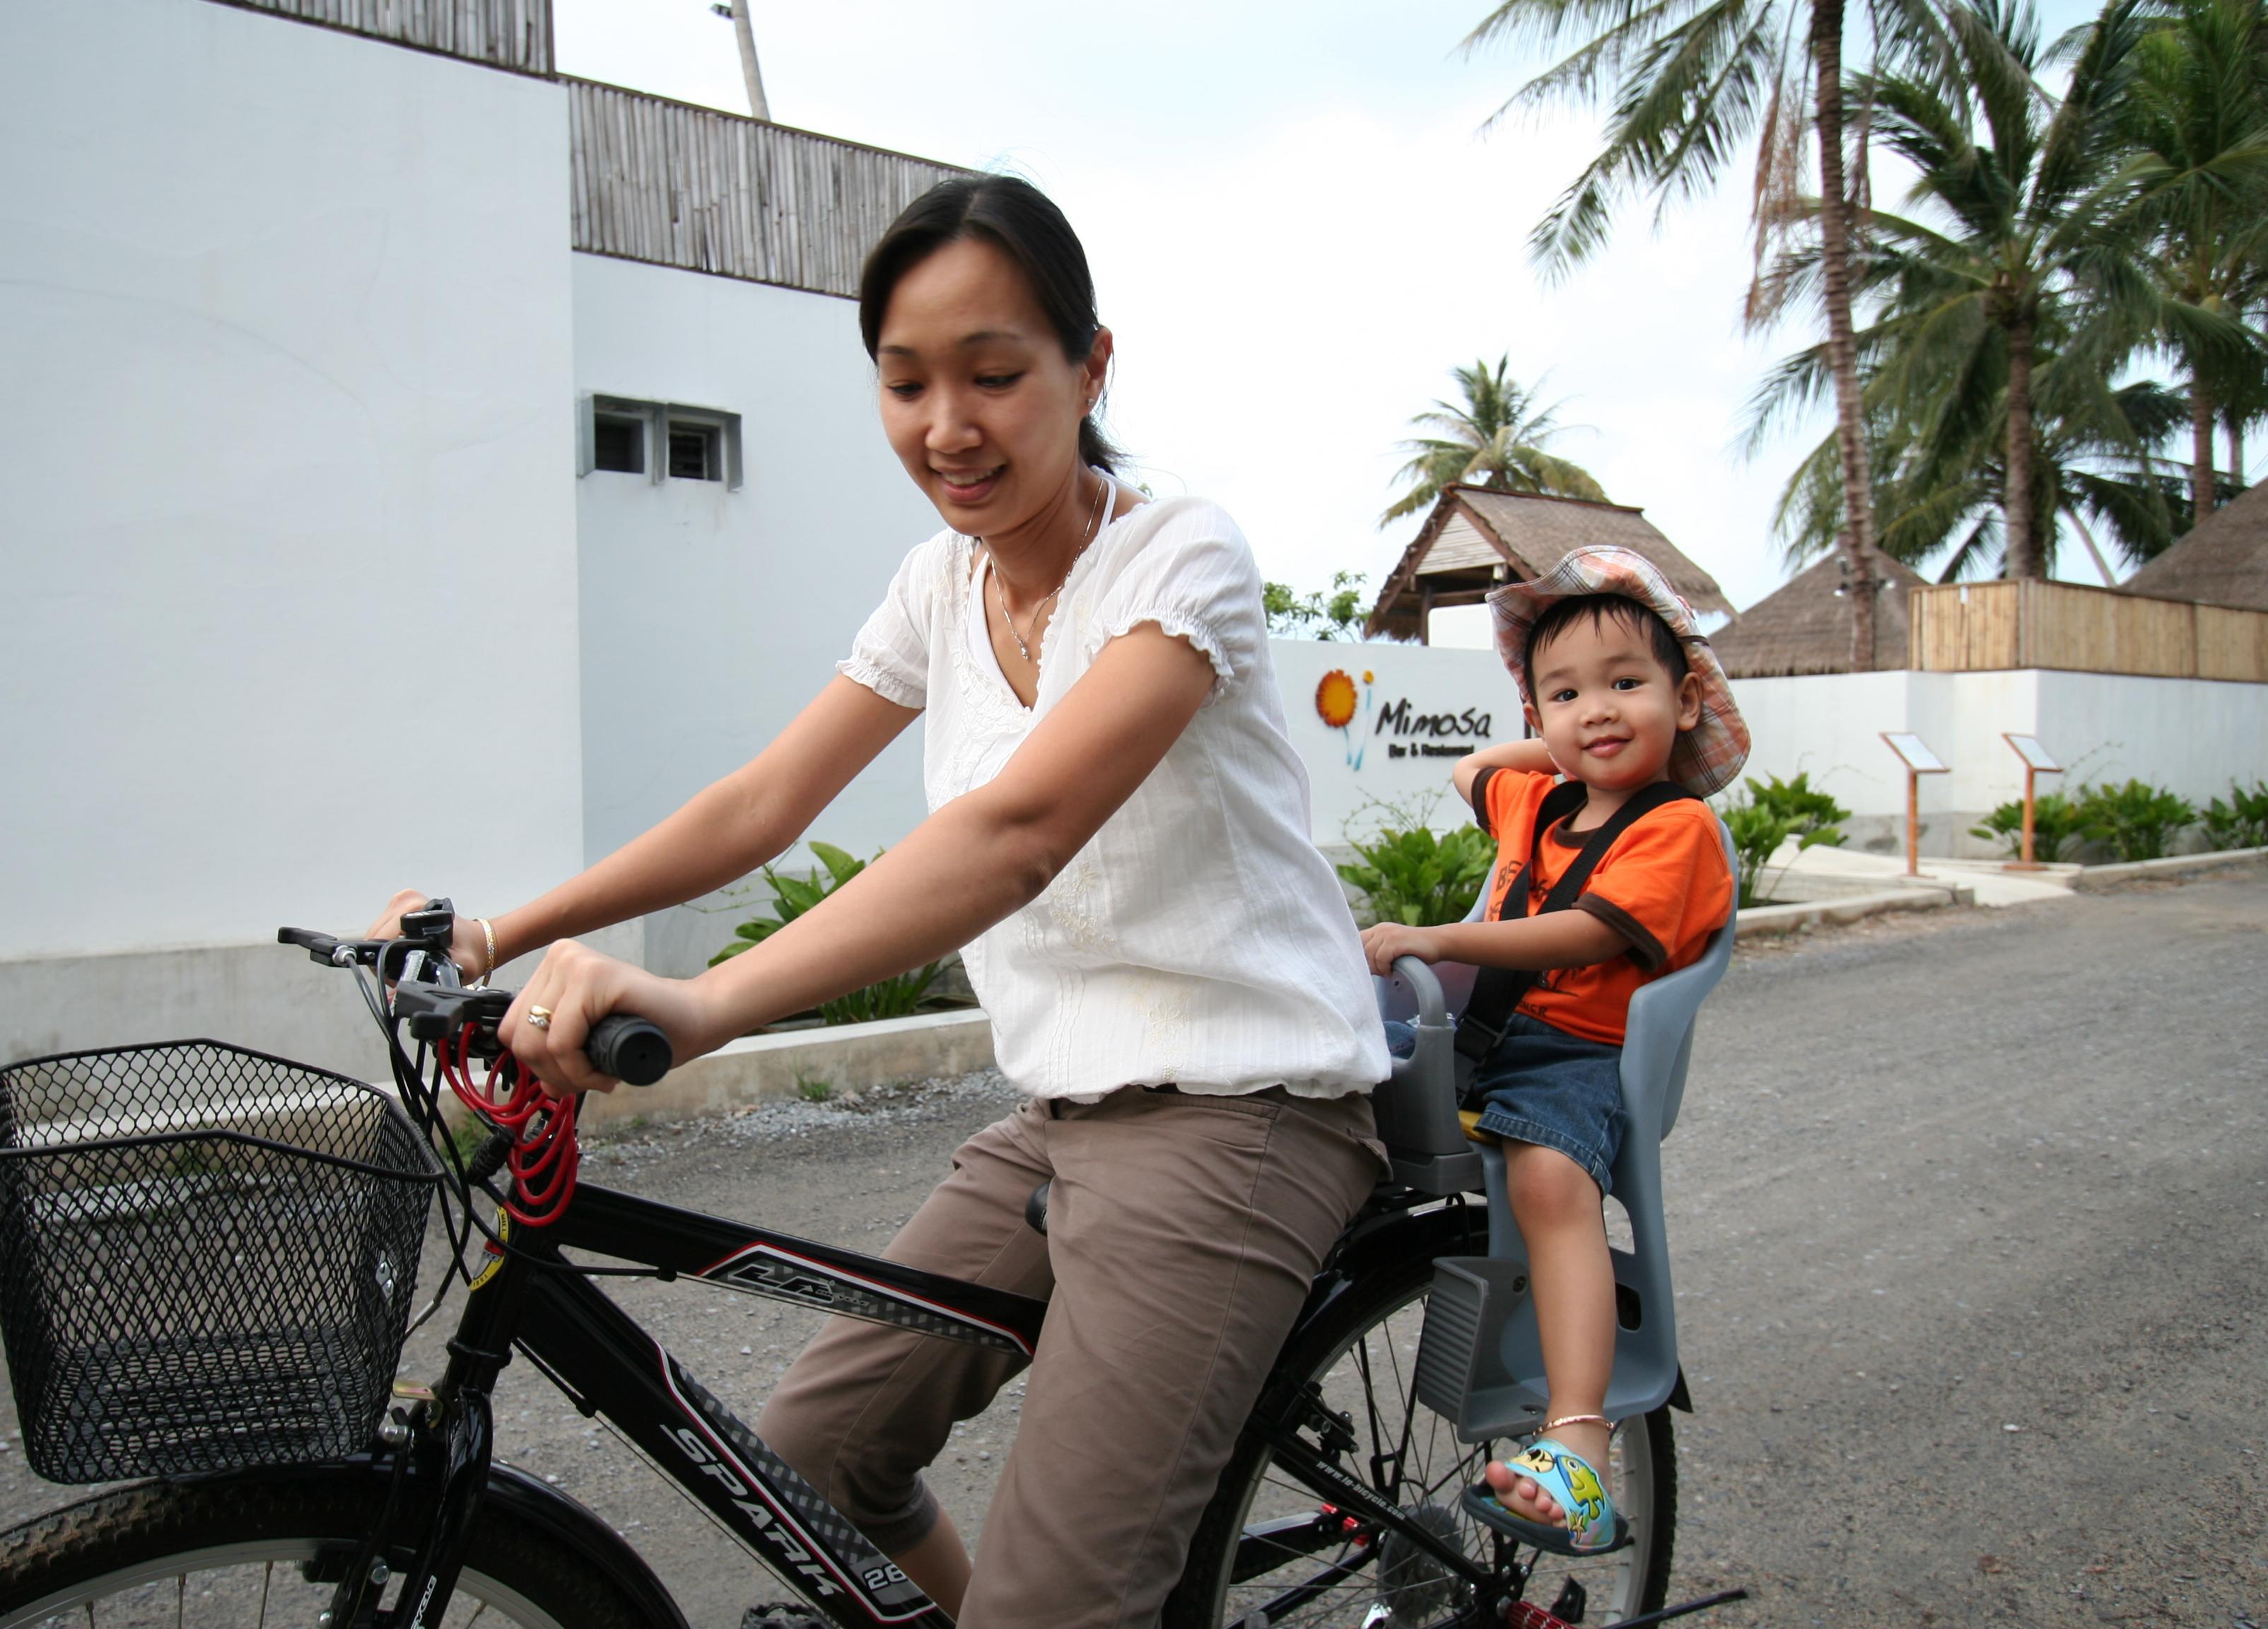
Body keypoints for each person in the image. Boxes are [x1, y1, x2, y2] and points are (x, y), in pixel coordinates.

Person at [371, 175, 1389, 1629]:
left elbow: (1022, 832)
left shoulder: (1180, 558)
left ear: (1091, 368)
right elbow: (758, 805)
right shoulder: (939, 584)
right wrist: (504, 930)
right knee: (812, 1459)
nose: (946, 427)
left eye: (994, 374)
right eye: (905, 383)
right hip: (1065, 1112)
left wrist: (706, 1004)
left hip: (1243, 1113)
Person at [1359, 547, 1746, 1554]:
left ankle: (1579, 1446)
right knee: (1333, 1076)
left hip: (1581, 1058)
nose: (1600, 711)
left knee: (1548, 1182)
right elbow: (1472, 768)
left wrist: (1440, 938)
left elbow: (1587, 936)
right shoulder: (1543, 798)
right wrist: (1559, 749)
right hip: (1495, 1032)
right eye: (1566, 694)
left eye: (1628, 685)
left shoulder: (1681, 828)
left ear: (1687, 698)